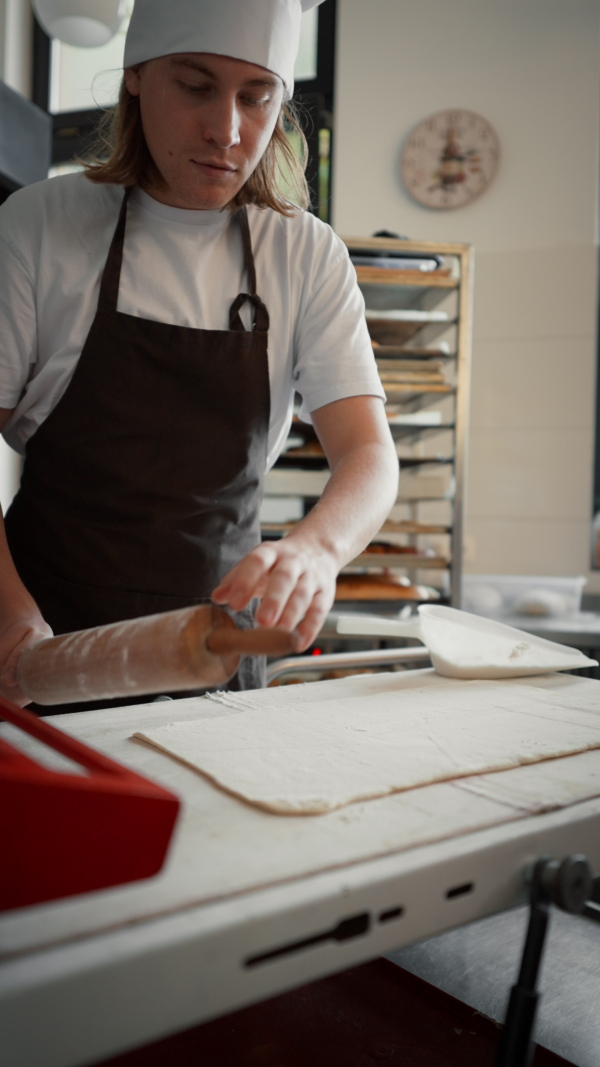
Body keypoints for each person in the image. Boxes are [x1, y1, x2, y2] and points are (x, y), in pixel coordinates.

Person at [0, 0, 399, 711]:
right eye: (195, 86)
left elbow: (370, 453)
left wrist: (318, 548)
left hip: (217, 653)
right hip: (41, 642)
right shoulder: (39, 226)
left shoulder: (305, 255)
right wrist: (9, 612)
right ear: (135, 77)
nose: (227, 129)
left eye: (258, 96)